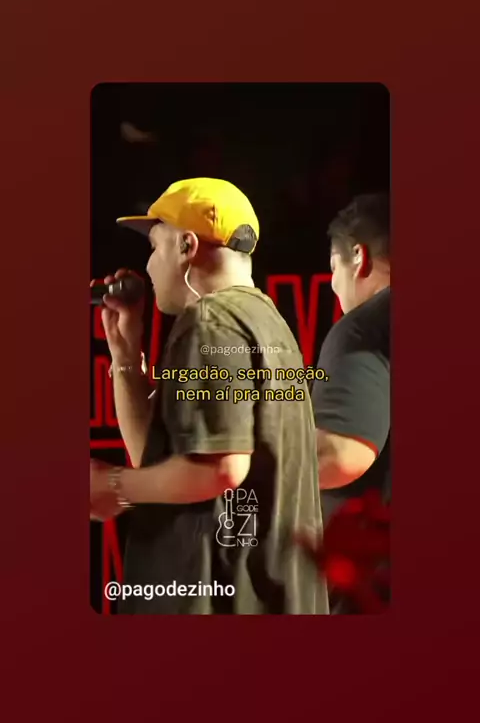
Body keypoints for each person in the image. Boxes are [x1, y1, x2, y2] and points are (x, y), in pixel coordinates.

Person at [90, 177, 328, 615]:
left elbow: (221, 467)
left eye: (155, 247)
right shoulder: (264, 319)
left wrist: (112, 486)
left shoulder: (211, 323)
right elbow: (155, 457)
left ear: (186, 246)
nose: (148, 266)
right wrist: (125, 355)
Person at [309, 193, 390, 613]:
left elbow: (338, 455)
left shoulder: (361, 329)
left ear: (358, 257)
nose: (332, 284)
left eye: (332, 268)